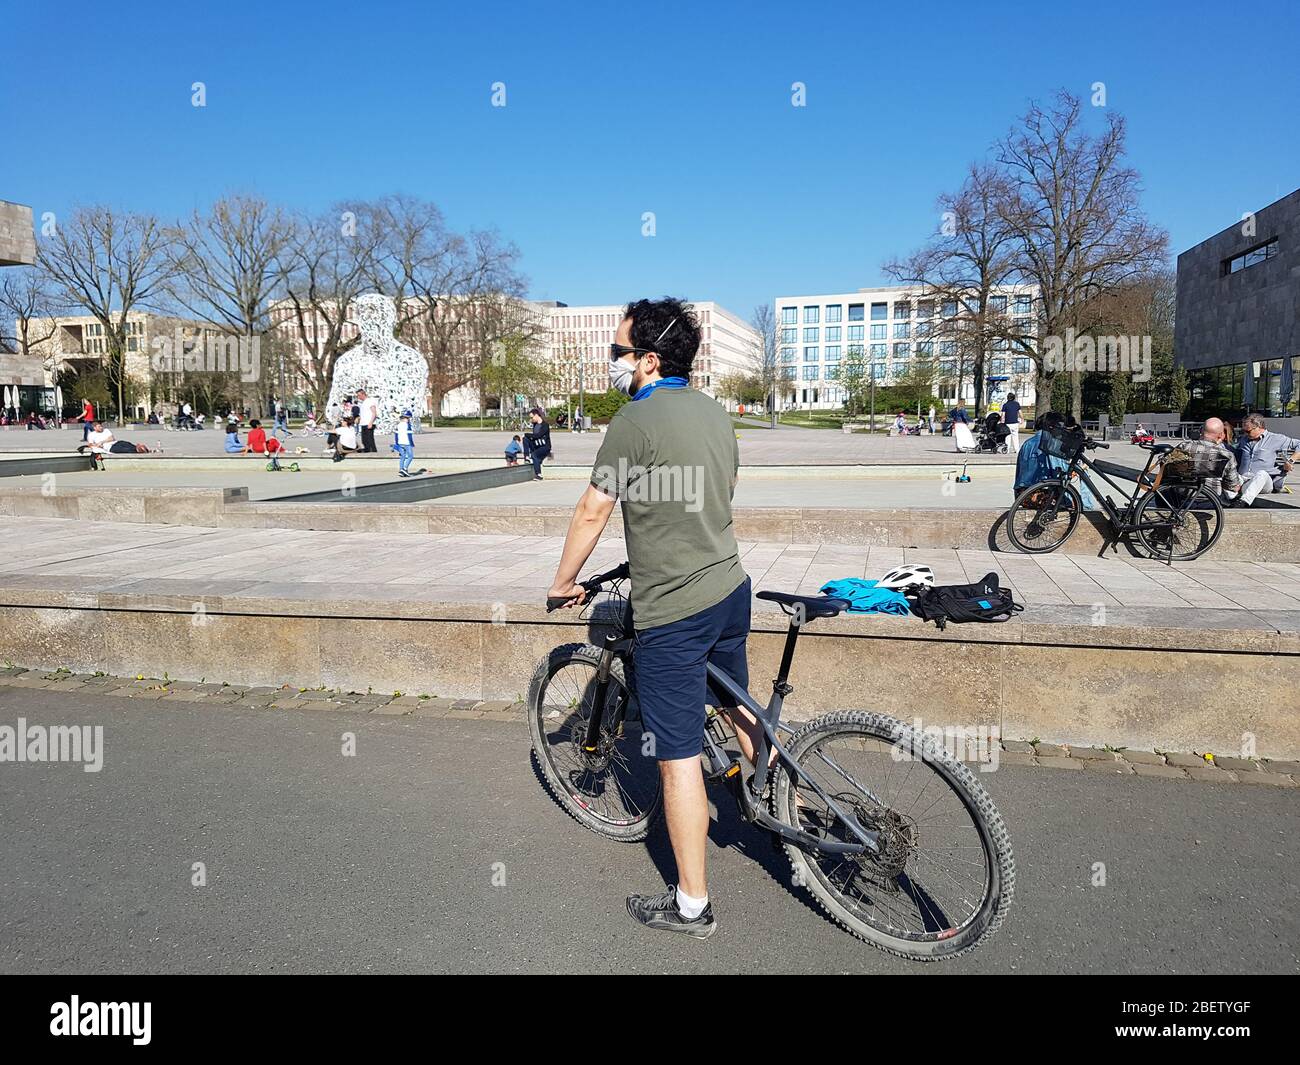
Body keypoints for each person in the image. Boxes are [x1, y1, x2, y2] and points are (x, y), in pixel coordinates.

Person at [547, 297, 756, 941]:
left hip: (675, 610)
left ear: (648, 360)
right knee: (738, 704)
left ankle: (693, 903)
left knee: (677, 755)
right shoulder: (717, 414)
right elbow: (712, 495)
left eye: (617, 353)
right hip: (730, 586)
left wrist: (562, 582)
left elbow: (591, 510)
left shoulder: (634, 420)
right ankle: (788, 804)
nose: (611, 363)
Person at [1012, 412, 1095, 509]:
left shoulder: (1027, 443)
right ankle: (1087, 507)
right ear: (1053, 427)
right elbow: (1060, 474)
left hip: (1023, 496)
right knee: (1082, 472)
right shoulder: (1051, 444)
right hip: (1043, 496)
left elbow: (1019, 473)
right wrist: (1080, 467)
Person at [1230, 413, 1300, 506]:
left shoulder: (1276, 438)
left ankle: (1243, 502)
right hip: (1243, 481)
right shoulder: (1243, 440)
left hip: (1264, 483)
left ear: (1259, 427)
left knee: (1262, 474)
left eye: (1248, 431)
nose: (1245, 434)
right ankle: (1225, 499)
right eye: (1244, 431)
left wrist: (1291, 460)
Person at [526, 407, 551, 480]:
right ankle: (527, 457)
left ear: (536, 415)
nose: (531, 419)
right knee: (525, 439)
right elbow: (533, 437)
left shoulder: (545, 425)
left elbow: (538, 435)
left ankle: (539, 475)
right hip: (536, 445)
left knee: (534, 455)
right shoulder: (535, 425)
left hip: (545, 447)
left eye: (532, 417)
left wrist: (527, 434)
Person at [392, 410, 416, 476]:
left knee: (402, 456)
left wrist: (397, 443)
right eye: (408, 418)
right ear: (406, 418)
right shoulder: (408, 426)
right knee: (410, 456)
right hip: (407, 443)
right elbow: (409, 435)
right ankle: (404, 469)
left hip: (400, 443)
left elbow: (396, 435)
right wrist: (412, 443)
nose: (409, 420)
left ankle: (401, 470)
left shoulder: (398, 425)